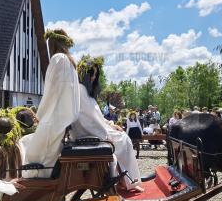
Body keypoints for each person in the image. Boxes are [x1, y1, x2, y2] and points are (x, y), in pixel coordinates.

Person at [71, 55, 143, 191]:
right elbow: (88, 119)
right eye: (91, 74)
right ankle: (127, 181)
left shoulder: (85, 91)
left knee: (122, 136)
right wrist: (104, 133)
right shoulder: (80, 90)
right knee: (124, 139)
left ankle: (125, 179)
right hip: (88, 132)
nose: (93, 78)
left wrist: (111, 124)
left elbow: (96, 116)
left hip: (94, 128)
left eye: (95, 75)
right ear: (84, 74)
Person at [19, 29, 80, 172]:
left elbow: (51, 91)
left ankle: (35, 180)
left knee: (31, 154)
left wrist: (39, 115)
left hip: (55, 119)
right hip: (66, 118)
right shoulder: (71, 62)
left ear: (53, 44)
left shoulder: (57, 58)